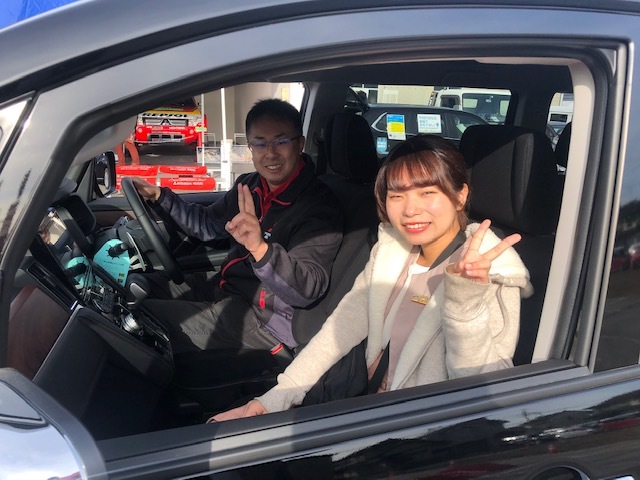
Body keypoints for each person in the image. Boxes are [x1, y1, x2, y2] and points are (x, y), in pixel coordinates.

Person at [211, 134, 533, 422]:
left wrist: (465, 303)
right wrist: (276, 399)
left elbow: (483, 388)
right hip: (361, 405)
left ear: (460, 196)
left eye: (427, 193)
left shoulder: (489, 271)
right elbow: (340, 329)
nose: (410, 210)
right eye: (397, 195)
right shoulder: (393, 252)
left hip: (417, 432)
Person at [128, 98, 343, 374]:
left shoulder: (319, 208)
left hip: (264, 320)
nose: (270, 154)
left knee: (142, 318)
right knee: (135, 287)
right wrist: (160, 197)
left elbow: (306, 288)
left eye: (281, 141)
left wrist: (260, 249)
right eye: (260, 143)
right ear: (250, 146)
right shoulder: (251, 185)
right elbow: (207, 225)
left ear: (300, 144)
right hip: (227, 287)